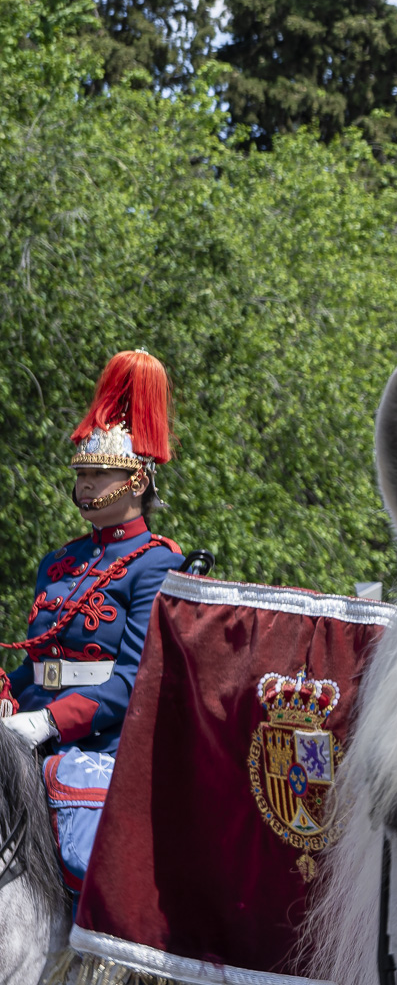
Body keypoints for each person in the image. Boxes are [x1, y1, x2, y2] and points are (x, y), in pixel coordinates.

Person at [0, 350, 188, 893]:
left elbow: (132, 682)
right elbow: (37, 664)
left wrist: (50, 723)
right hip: (30, 726)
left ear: (135, 480)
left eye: (98, 473)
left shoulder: (158, 563)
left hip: (101, 745)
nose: (84, 485)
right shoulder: (56, 563)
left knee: (84, 861)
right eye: (80, 474)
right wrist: (9, 695)